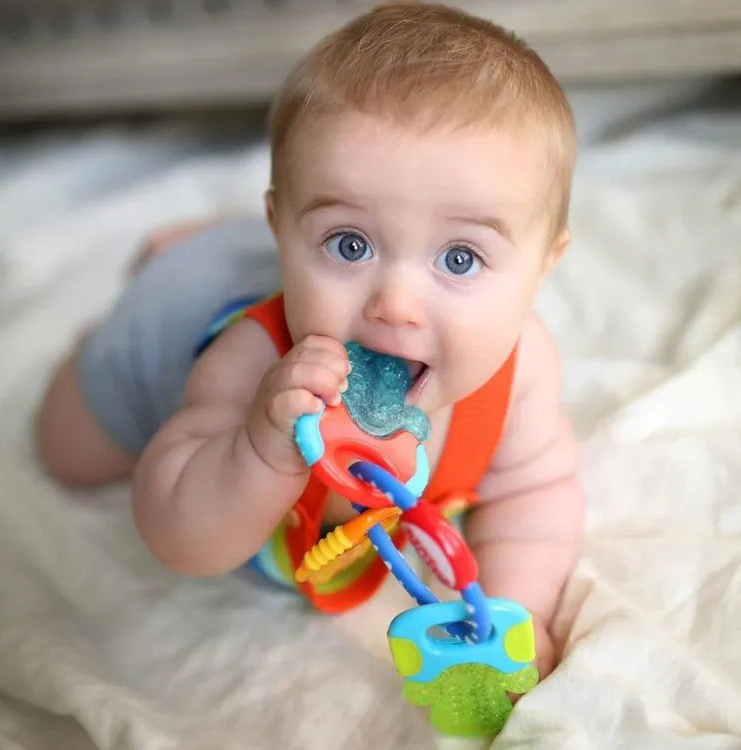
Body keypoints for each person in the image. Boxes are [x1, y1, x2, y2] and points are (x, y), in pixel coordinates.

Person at [36, 2, 585, 680]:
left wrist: (518, 609)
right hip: (169, 314)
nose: (394, 306)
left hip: (253, 256)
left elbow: (535, 494)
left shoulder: (520, 373)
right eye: (348, 244)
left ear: (543, 265)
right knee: (64, 452)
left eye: (460, 259)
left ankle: (248, 240)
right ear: (284, 229)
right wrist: (258, 451)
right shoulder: (254, 362)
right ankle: (171, 262)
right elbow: (178, 539)